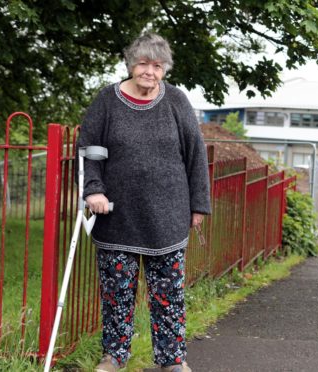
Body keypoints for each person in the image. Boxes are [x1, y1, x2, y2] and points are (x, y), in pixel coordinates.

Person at [77, 33, 211, 372]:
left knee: (168, 295)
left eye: (156, 65)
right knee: (117, 294)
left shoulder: (177, 102)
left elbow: (195, 156)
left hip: (167, 215)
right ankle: (114, 357)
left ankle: (172, 360)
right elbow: (90, 149)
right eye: (142, 63)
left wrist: (198, 205)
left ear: (164, 69)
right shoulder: (107, 101)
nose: (149, 71)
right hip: (116, 215)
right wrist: (93, 189)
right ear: (130, 64)